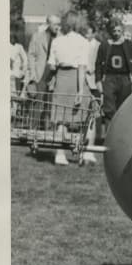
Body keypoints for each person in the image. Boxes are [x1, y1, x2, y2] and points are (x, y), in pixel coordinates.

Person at [47, 11, 96, 166]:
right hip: (77, 79)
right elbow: (82, 66)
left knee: (61, 118)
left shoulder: (57, 41)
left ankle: (60, 155)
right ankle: (86, 152)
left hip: (61, 78)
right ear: (78, 23)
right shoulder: (83, 42)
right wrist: (81, 90)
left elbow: (51, 64)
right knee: (86, 117)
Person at [95, 20, 132, 127]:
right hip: (109, 78)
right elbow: (98, 64)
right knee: (109, 107)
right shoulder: (105, 45)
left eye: (119, 30)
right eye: (114, 30)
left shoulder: (128, 44)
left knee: (123, 106)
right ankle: (109, 132)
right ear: (110, 31)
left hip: (124, 78)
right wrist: (98, 80)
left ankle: (121, 132)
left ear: (122, 30)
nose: (116, 33)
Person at [10, 31, 28, 95]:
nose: (12, 39)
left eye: (14, 38)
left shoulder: (19, 46)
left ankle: (18, 94)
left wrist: (24, 67)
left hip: (17, 70)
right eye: (11, 38)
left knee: (17, 90)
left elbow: (25, 58)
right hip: (9, 70)